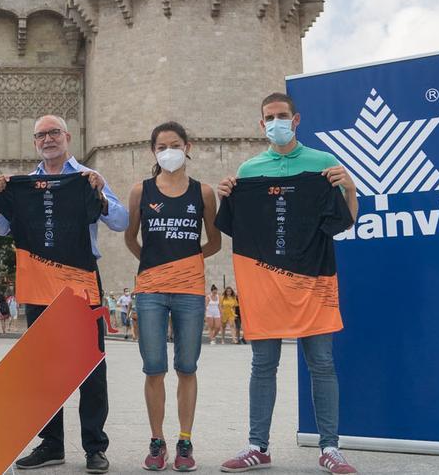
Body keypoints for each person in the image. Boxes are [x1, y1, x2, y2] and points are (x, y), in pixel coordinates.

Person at [215, 92, 358, 475]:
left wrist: (349, 188)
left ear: (296, 120)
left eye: (282, 115)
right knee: (263, 365)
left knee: (322, 364)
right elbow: (232, 225)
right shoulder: (248, 172)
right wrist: (226, 196)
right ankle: (257, 446)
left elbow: (345, 221)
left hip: (313, 283)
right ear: (261, 125)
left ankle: (331, 448)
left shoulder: (323, 163)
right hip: (265, 285)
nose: (275, 122)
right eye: (269, 117)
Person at [0, 114, 128, 474]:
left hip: (80, 279)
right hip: (38, 282)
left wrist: (100, 193)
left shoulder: (86, 179)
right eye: (41, 135)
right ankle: (51, 445)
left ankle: (95, 447)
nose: (48, 139)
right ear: (35, 142)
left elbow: (121, 221)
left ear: (67, 136)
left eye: (53, 133)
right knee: (42, 366)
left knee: (91, 365)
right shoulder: (24, 184)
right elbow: (0, 229)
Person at [124, 121, 222, 471]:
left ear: (187, 147)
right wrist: (154, 265)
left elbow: (214, 241)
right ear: (153, 151)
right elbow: (130, 237)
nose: (169, 151)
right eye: (162, 145)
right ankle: (156, 440)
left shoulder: (204, 192)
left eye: (175, 144)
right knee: (153, 368)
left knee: (187, 367)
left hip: (190, 291)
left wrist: (187, 263)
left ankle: (184, 439)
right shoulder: (141, 191)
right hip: (150, 289)